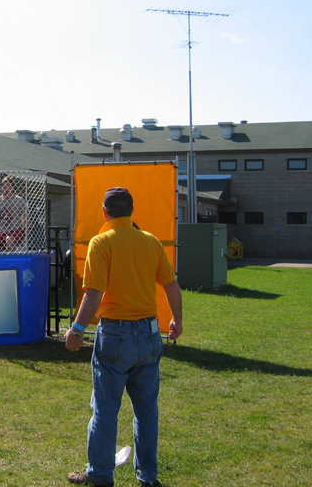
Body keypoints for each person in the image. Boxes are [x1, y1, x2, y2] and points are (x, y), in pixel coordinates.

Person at [64, 187, 182, 487]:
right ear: (131, 210)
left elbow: (94, 292)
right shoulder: (151, 241)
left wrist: (77, 330)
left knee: (105, 410)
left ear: (104, 212)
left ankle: (100, 473)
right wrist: (177, 320)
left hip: (114, 336)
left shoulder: (101, 242)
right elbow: (171, 284)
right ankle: (148, 476)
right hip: (150, 334)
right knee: (147, 410)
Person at [0, 175, 27, 251]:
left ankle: (13, 257)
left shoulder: (20, 201)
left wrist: (25, 234)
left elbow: (25, 218)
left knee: (9, 240)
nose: (6, 189)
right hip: (2, 230)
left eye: (9, 186)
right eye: (4, 186)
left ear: (13, 188)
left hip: (16, 230)